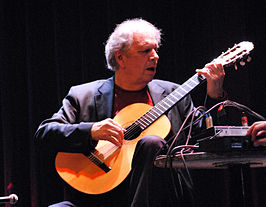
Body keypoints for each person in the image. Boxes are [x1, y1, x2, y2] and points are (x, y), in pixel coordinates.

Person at [34, 18, 226, 207]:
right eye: (145, 51)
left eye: (156, 50)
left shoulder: (174, 94)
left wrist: (214, 95)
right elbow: (44, 134)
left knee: (152, 142)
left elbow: (207, 137)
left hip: (161, 194)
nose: (155, 56)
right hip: (99, 196)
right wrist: (91, 131)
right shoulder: (83, 95)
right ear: (120, 57)